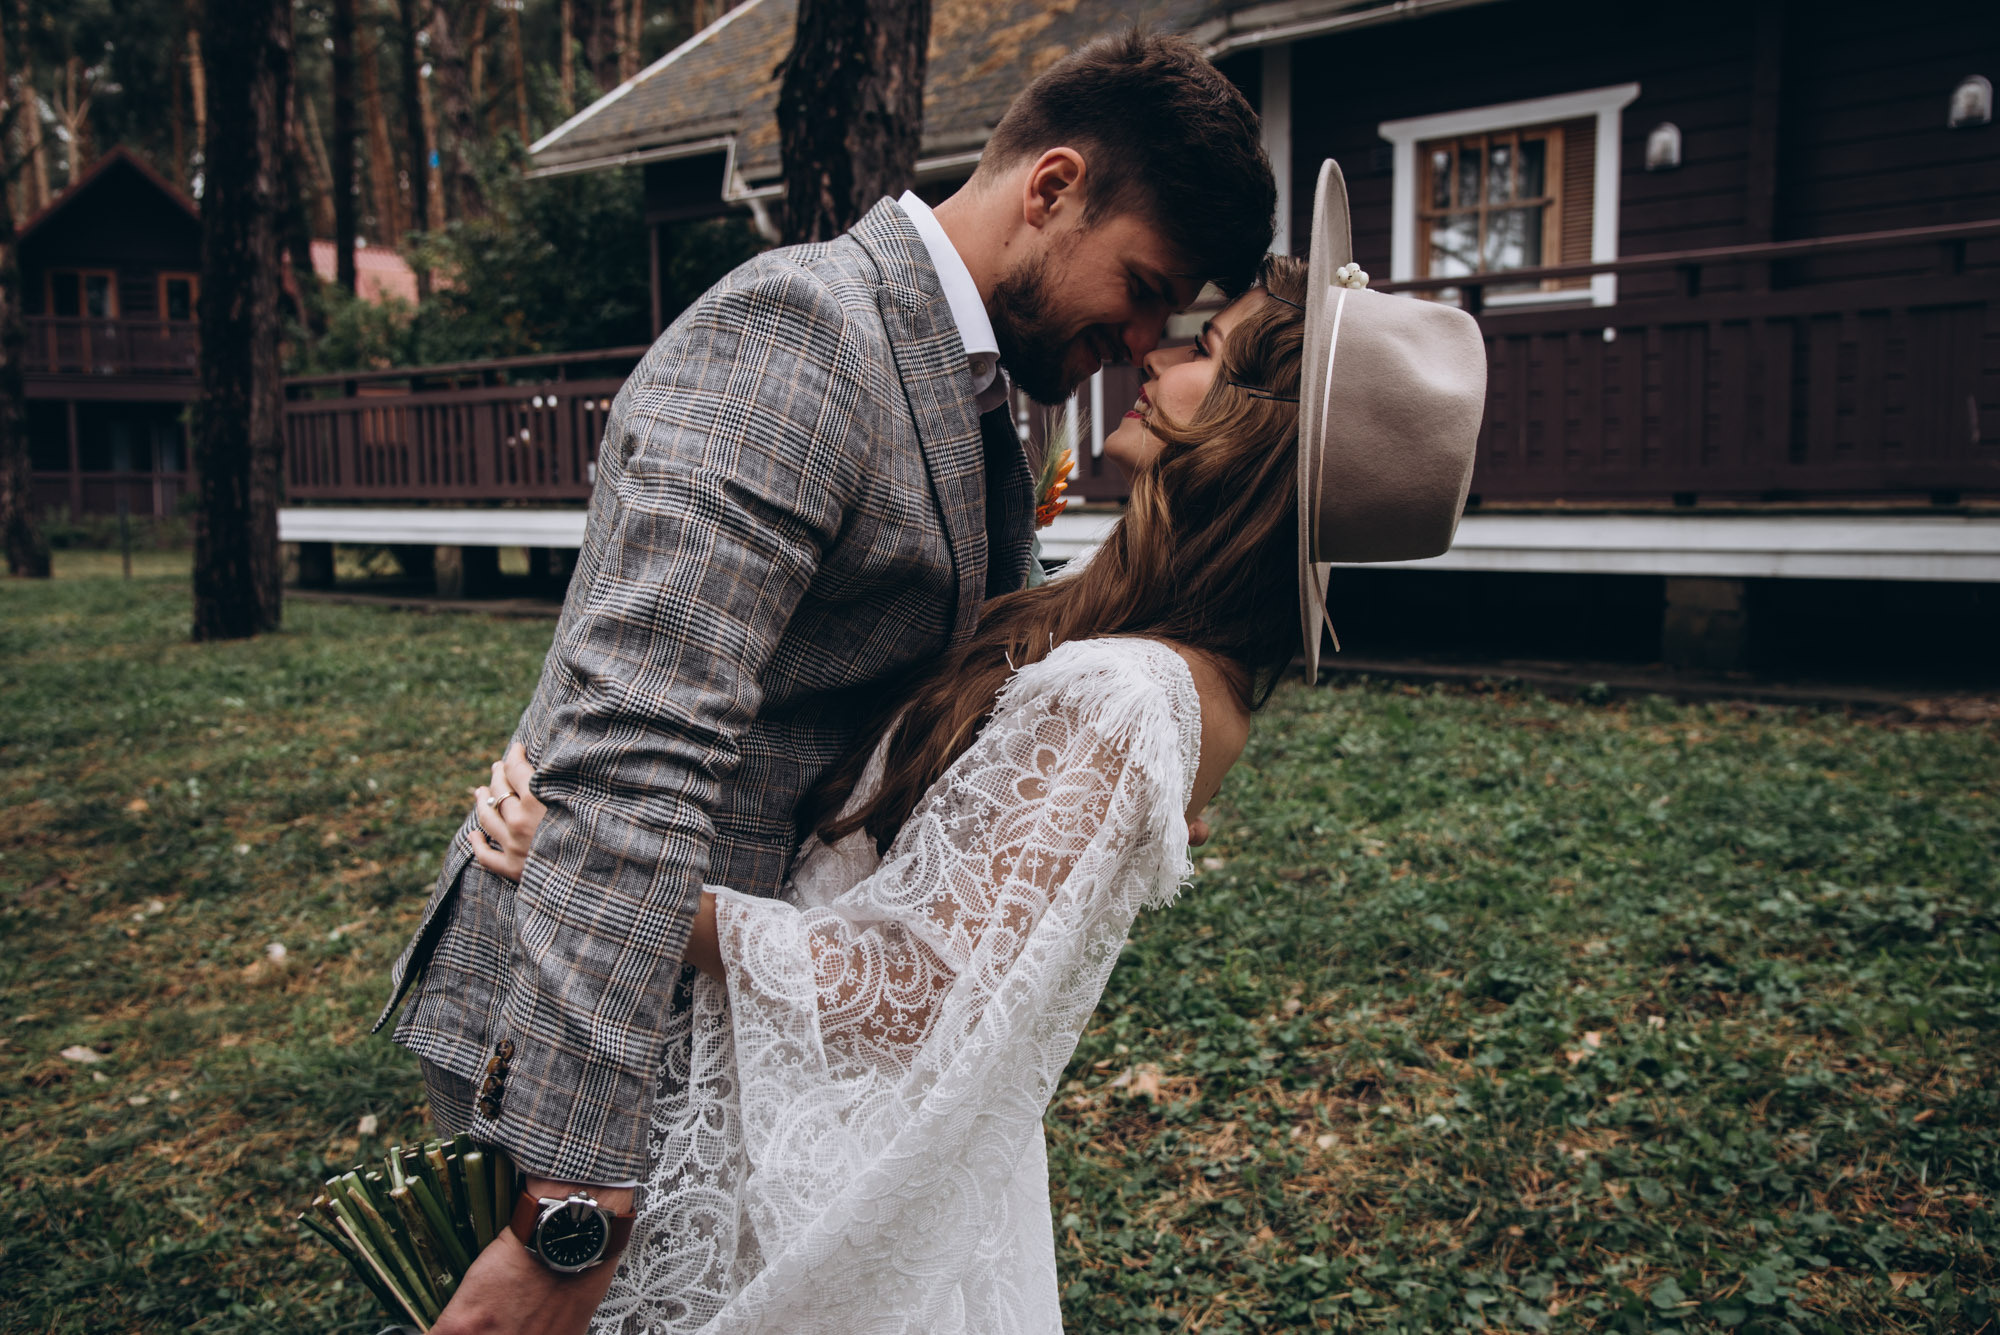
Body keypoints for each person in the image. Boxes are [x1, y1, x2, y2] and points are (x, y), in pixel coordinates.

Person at [461, 162, 1489, 1333]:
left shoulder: (1121, 695)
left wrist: (601, 872)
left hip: (812, 1164)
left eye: (1205, 346)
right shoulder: (1159, 668)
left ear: (1255, 432)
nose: (1153, 354)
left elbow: (911, 993)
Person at [377, 31, 1279, 1335]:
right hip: (592, 1023)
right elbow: (637, 752)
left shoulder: (994, 384)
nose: (1143, 337)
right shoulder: (801, 336)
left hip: (744, 1032)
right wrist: (573, 1201)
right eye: (1143, 287)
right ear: (1051, 188)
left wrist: (1119, 771)